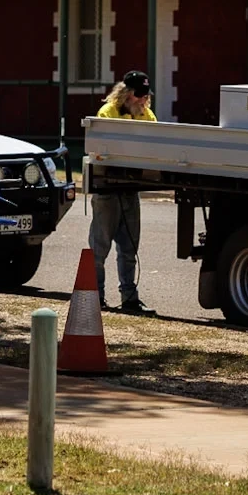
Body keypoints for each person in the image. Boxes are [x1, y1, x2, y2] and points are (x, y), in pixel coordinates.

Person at [89, 70, 157, 313]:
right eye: (138, 95)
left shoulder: (146, 114)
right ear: (126, 94)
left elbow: (155, 143)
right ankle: (94, 296)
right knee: (100, 247)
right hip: (108, 190)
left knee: (129, 248)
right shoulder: (108, 113)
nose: (142, 100)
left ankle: (129, 298)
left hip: (130, 189)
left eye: (145, 95)